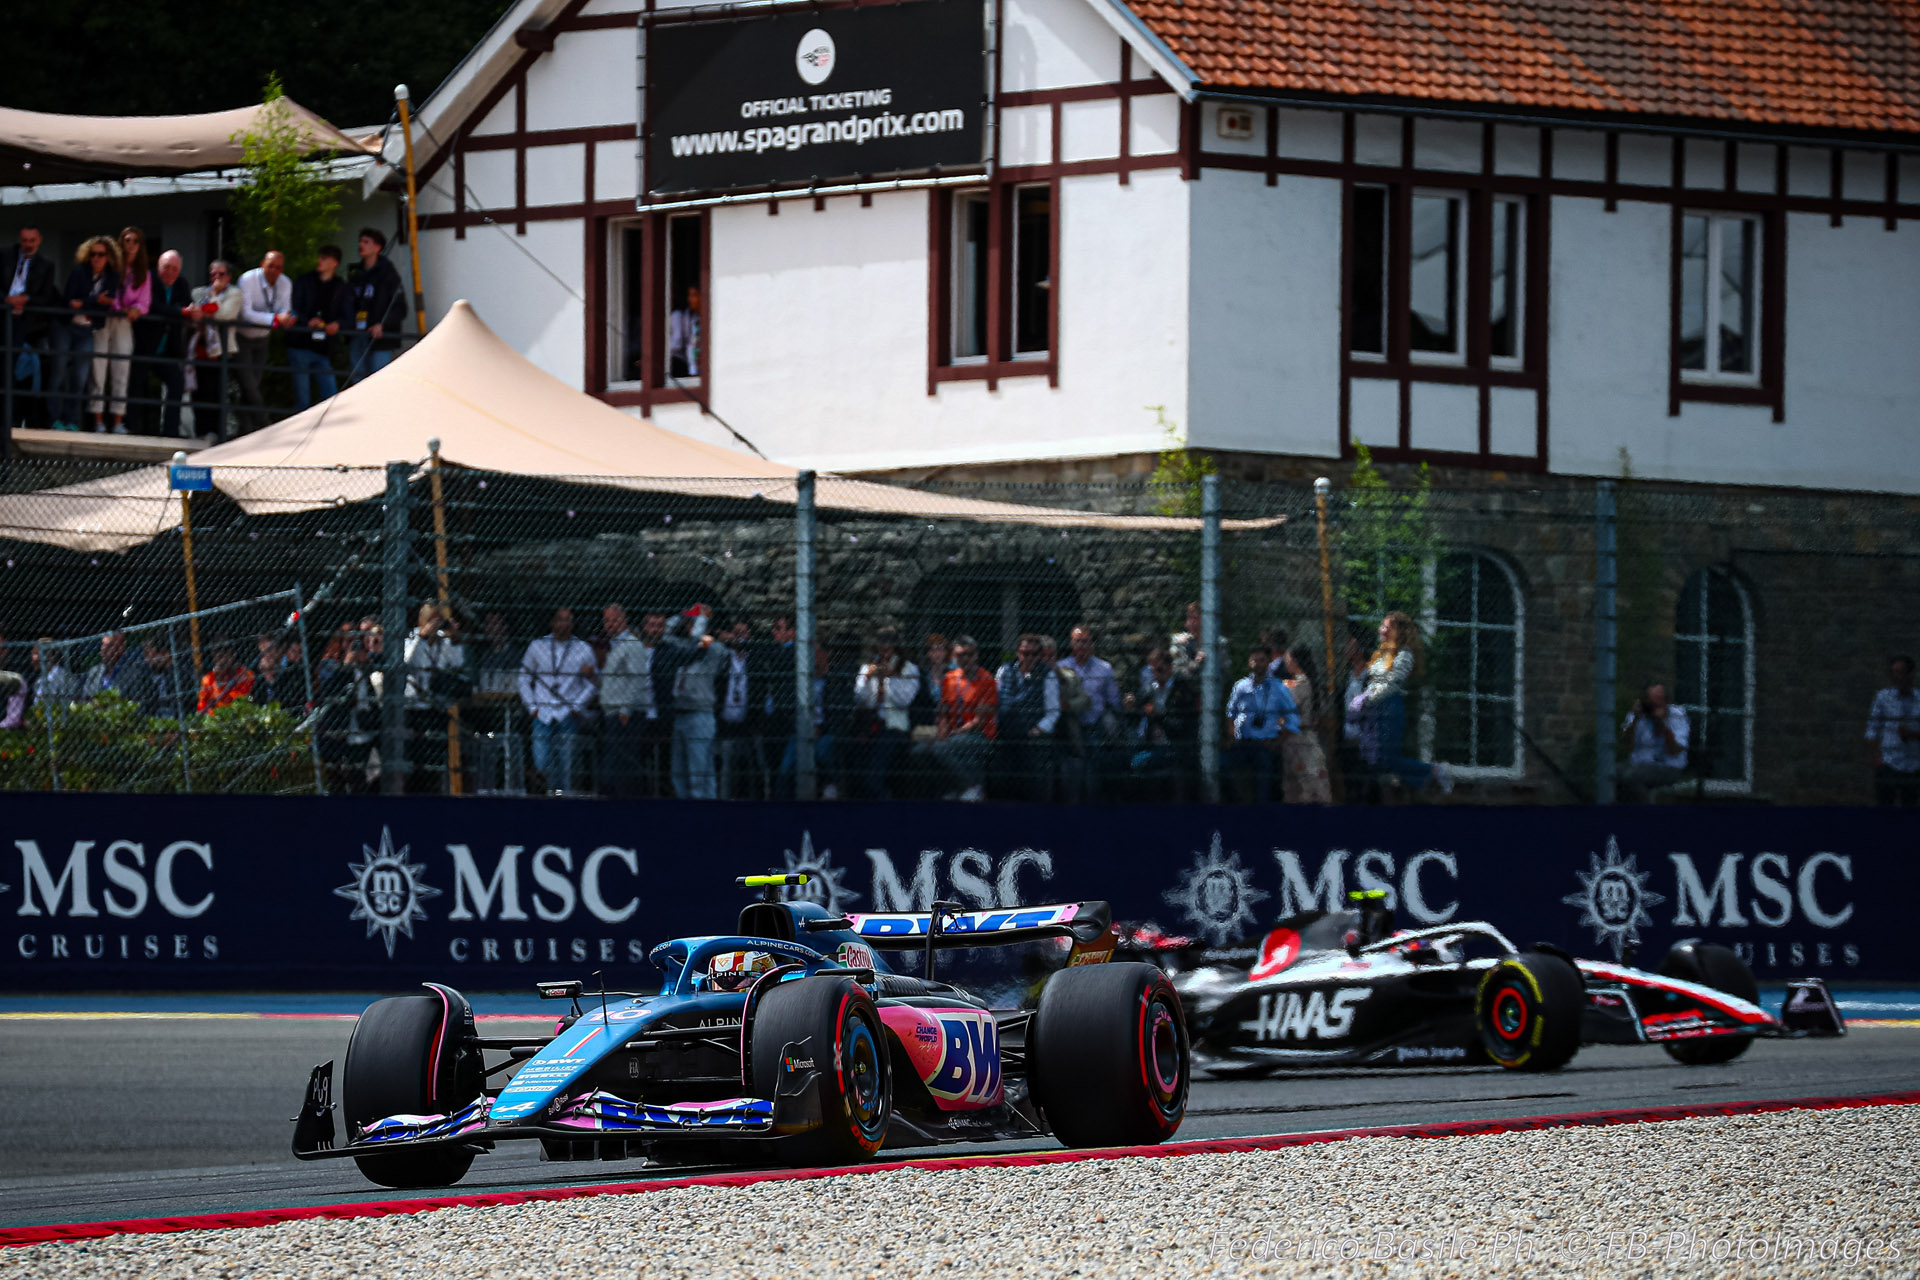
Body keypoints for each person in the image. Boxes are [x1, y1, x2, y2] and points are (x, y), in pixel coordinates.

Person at [1352, 612, 1453, 798]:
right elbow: (1374, 681)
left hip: (1390, 706)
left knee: (1387, 758)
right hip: (1376, 708)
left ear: (1397, 631)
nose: (1380, 630)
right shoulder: (1381, 654)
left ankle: (1434, 771)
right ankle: (1423, 782)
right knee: (1378, 760)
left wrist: (1366, 699)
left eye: (1386, 627)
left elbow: (1391, 684)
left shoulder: (1404, 655)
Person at [519, 607, 598, 795]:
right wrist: (532, 708)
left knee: (567, 763)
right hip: (543, 712)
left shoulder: (583, 648)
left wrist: (577, 706)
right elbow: (523, 678)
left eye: (568, 620)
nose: (565, 624)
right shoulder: (538, 646)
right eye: (561, 620)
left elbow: (593, 683)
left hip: (567, 712)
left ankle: (565, 798)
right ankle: (548, 794)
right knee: (542, 761)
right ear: (552, 622)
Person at [53, 235, 121, 432]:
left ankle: (71, 420)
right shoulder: (79, 272)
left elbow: (106, 307)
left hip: (86, 330)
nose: (96, 259)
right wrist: (94, 301)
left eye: (101, 255)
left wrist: (87, 303)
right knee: (58, 371)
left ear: (109, 257)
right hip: (66, 326)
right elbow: (71, 302)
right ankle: (54, 419)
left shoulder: (112, 277)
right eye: (93, 254)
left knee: (80, 377)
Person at [917, 635, 997, 801]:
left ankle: (971, 786)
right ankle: (950, 787)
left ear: (976, 655)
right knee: (920, 750)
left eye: (969, 654)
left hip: (980, 734)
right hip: (953, 732)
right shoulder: (950, 678)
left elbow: (980, 721)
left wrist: (955, 733)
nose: (965, 658)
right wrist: (942, 731)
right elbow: (943, 710)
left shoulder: (986, 679)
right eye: (960, 655)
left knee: (941, 748)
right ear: (954, 656)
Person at [86, 226, 150, 432]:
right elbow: (104, 292)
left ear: (140, 246)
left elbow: (145, 302)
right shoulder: (111, 266)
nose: (130, 245)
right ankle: (97, 420)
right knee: (99, 367)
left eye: (135, 241)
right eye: (127, 240)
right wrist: (116, 305)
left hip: (124, 323)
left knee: (121, 369)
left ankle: (117, 421)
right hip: (104, 319)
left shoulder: (144, 273)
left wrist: (136, 310)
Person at [662, 606, 727, 800]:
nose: (691, 627)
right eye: (689, 624)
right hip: (679, 713)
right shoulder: (679, 646)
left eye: (695, 623)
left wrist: (702, 619)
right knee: (678, 771)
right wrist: (683, 614)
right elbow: (663, 634)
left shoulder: (714, 648)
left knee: (699, 770)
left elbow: (699, 639)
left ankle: (703, 807)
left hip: (700, 715)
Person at [4, 224, 63, 431]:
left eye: (32, 241)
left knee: (27, 378)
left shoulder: (46, 266)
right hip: (5, 318)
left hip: (30, 327)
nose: (28, 245)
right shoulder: (6, 257)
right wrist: (7, 301)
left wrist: (25, 300)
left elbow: (46, 297)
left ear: (39, 241)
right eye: (24, 241)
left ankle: (22, 421)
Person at [405, 603, 468, 792]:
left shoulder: (443, 641)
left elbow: (458, 663)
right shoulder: (411, 638)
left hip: (435, 706)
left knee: (435, 756)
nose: (437, 624)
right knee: (413, 758)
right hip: (413, 706)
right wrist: (423, 636)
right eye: (434, 619)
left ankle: (433, 790)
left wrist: (455, 639)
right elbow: (409, 661)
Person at [853, 626, 920, 799]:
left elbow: (904, 701)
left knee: (877, 766)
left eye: (888, 650)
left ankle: (879, 794)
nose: (884, 655)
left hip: (895, 727)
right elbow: (860, 699)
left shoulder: (909, 670)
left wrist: (889, 679)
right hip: (870, 726)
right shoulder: (868, 668)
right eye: (880, 650)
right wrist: (867, 679)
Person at [1225, 644, 1297, 802]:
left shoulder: (1279, 688)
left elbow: (1292, 718)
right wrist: (1232, 736)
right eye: (1254, 660)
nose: (1258, 664)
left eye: (1262, 660)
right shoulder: (1240, 686)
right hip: (1243, 742)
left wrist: (1279, 740)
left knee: (1263, 783)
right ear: (1249, 663)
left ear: (1268, 662)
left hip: (1266, 743)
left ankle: (1261, 814)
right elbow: (1231, 713)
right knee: (1227, 772)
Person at [994, 634, 1061, 802]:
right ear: (1018, 653)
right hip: (1006, 733)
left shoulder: (1048, 676)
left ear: (1039, 656)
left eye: (1033, 654)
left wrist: (1038, 729)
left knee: (1032, 780)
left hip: (1031, 736)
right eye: (1025, 653)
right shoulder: (1004, 671)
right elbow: (995, 700)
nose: (1028, 658)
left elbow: (1053, 711)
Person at [234, 250, 295, 433]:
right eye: (270, 266)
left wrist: (284, 318)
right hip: (242, 338)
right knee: (250, 385)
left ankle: (245, 431)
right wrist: (276, 319)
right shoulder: (247, 280)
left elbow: (286, 309)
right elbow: (246, 313)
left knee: (252, 387)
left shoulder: (285, 282)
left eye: (278, 267)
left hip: (263, 340)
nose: (274, 270)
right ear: (262, 264)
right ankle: (265, 424)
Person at [135, 250, 193, 436]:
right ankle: (134, 430)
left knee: (176, 382)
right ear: (158, 266)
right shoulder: (149, 279)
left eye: (175, 269)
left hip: (168, 348)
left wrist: (189, 311)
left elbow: (187, 305)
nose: (170, 272)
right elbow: (152, 305)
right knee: (137, 386)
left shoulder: (182, 283)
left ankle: (170, 431)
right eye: (166, 267)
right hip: (145, 344)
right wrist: (179, 311)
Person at [1059, 626, 1120, 801]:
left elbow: (1114, 700)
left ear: (1092, 644)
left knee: (1093, 773)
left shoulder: (1104, 668)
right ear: (1071, 643)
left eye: (1085, 641)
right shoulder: (1062, 667)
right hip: (1070, 726)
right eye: (1077, 641)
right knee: (1072, 771)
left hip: (1095, 725)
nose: (1081, 645)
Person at [1127, 647, 1198, 798]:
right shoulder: (1150, 689)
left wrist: (1158, 716)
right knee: (1133, 763)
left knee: (1145, 764)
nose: (1155, 674)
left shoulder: (1182, 688)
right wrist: (1132, 707)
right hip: (1154, 745)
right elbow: (1135, 716)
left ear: (1169, 667)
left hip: (1177, 747)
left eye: (1159, 669)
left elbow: (1181, 726)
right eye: (1152, 671)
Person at [288, 245, 350, 411]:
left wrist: (337, 325)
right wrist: (308, 321)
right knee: (303, 400)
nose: (319, 261)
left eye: (324, 258)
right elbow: (292, 309)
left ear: (334, 263)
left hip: (323, 348)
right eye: (320, 257)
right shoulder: (304, 281)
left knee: (331, 396)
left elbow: (347, 315)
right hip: (300, 345)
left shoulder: (340, 286)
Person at [597, 604, 650, 799]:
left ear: (623, 621)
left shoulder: (631, 645)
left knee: (622, 761)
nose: (610, 625)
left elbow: (637, 678)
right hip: (614, 712)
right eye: (607, 621)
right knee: (618, 760)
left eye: (614, 620)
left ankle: (627, 800)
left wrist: (626, 710)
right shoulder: (616, 647)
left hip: (624, 713)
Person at [187, 261, 242, 439]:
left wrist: (216, 296)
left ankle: (217, 435)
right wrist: (205, 311)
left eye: (221, 274)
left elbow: (225, 315)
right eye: (213, 274)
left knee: (216, 395)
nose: (216, 278)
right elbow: (194, 314)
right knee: (199, 395)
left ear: (229, 277)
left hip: (221, 353)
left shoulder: (234, 293)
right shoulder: (198, 292)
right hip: (200, 351)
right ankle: (200, 433)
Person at [715, 620, 765, 799]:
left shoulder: (756, 660)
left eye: (743, 633)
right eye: (735, 633)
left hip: (749, 725)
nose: (738, 637)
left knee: (753, 766)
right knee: (727, 766)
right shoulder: (723, 657)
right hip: (726, 724)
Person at [347, 227, 405, 381]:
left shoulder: (389, 274)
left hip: (380, 339)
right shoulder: (355, 274)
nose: (361, 245)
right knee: (357, 383)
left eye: (366, 242)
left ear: (377, 247)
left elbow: (401, 308)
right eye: (360, 241)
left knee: (377, 381)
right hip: (357, 335)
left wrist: (383, 325)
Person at [1618, 680, 1690, 803]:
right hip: (1639, 763)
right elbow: (1626, 743)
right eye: (1651, 701)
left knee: (1631, 777)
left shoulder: (1676, 715)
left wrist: (1662, 723)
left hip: (1667, 766)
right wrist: (1635, 719)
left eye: (1659, 701)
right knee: (1611, 772)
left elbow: (1675, 750)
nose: (1654, 706)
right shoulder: (1639, 715)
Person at [1279, 644, 1333, 804]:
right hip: (1303, 736)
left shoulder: (1301, 684)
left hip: (1298, 738)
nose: (1285, 662)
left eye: (1287, 658)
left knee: (1307, 784)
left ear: (1295, 660)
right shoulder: (1306, 682)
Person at [1865, 655, 1920, 806]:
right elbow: (1872, 729)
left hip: (1913, 765)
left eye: (1900, 672)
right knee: (1885, 808)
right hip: (1888, 762)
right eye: (1894, 672)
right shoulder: (1883, 698)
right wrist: (1877, 759)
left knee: (1910, 808)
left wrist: (1913, 735)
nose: (1897, 677)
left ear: (1910, 674)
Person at [82, 630, 147, 703]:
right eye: (103, 644)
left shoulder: (133, 672)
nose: (104, 649)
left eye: (110, 645)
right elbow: (86, 697)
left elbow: (133, 700)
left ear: (121, 649)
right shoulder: (95, 671)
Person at [198, 643, 255, 713]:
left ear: (233, 654)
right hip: (216, 718)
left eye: (225, 651)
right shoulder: (207, 679)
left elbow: (250, 698)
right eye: (217, 652)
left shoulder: (246, 674)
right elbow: (201, 706)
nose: (222, 658)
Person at [668, 285, 701, 379]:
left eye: (694, 295)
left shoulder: (678, 315)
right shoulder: (690, 318)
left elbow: (677, 342)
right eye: (689, 296)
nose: (690, 299)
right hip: (692, 366)